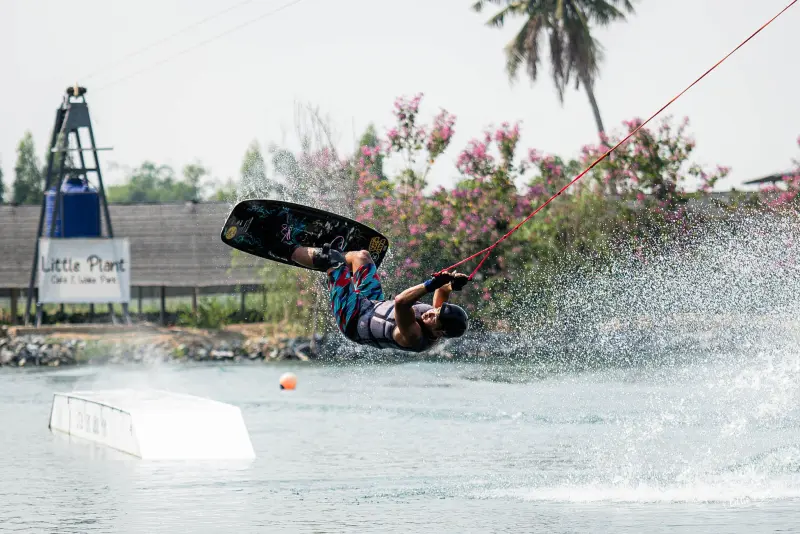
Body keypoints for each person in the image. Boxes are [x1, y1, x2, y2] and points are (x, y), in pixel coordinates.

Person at [289, 242, 470, 352]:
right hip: (372, 302)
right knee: (363, 256)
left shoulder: (415, 337)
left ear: (439, 333)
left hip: (352, 318)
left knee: (333, 262)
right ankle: (328, 257)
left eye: (434, 318)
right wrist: (452, 283)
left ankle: (290, 249)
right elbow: (443, 291)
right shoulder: (437, 320)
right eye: (435, 310)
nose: (431, 313)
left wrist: (431, 283)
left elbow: (401, 302)